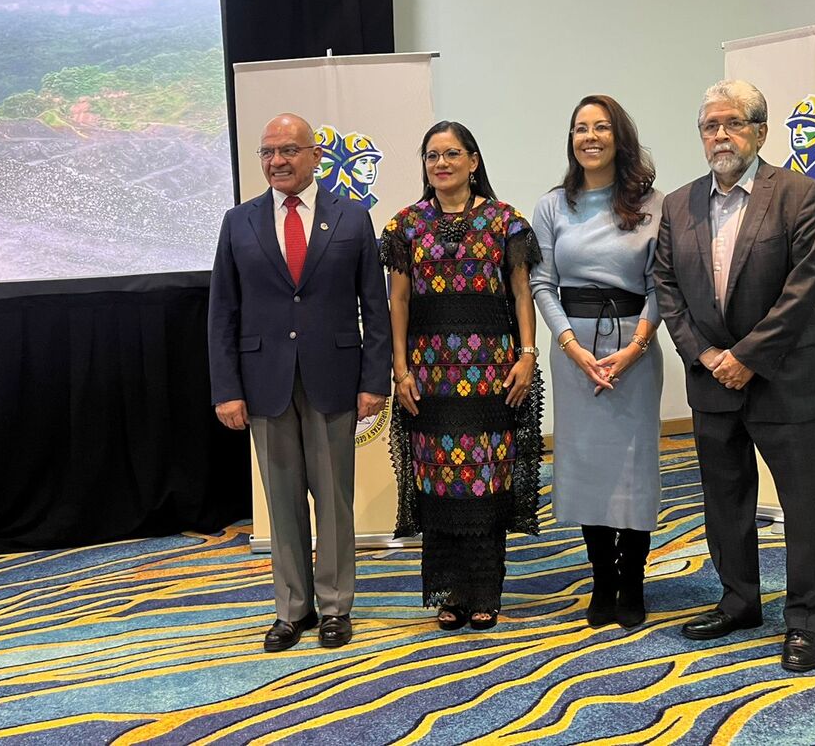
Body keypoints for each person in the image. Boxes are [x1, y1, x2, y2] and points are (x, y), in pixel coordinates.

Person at [653, 79, 815, 672]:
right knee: (724, 501)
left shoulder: (800, 194)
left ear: (760, 130)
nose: (720, 136)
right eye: (710, 125)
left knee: (803, 506)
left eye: (733, 123)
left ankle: (808, 620)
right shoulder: (678, 204)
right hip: (711, 382)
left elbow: (804, 289)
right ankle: (739, 602)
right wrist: (707, 357)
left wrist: (747, 357)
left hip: (783, 377)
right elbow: (667, 288)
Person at [208, 113, 391, 652]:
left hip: (334, 378)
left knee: (333, 499)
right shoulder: (237, 222)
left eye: (288, 150)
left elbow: (374, 309)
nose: (276, 161)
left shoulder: (353, 219)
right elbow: (223, 313)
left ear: (315, 156)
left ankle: (336, 607)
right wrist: (226, 388)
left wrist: (373, 380)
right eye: (267, 152)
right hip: (263, 383)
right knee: (280, 500)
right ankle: (293, 609)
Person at [380, 120, 544, 631]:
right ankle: (449, 593)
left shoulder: (505, 222)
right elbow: (399, 300)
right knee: (439, 480)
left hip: (492, 370)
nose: (441, 164)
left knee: (485, 478)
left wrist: (528, 354)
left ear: (474, 162)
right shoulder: (404, 226)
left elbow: (521, 294)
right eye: (432, 156)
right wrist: (400, 368)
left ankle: (484, 593)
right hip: (428, 376)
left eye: (452, 154)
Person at [530, 95, 664, 630]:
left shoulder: (654, 204)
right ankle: (601, 580)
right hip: (573, 351)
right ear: (571, 139)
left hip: (636, 345)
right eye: (580, 128)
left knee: (633, 466)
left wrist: (634, 348)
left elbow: (661, 284)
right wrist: (569, 344)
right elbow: (541, 282)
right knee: (585, 466)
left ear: (618, 137)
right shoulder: (551, 205)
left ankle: (632, 578)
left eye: (601, 127)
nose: (590, 136)